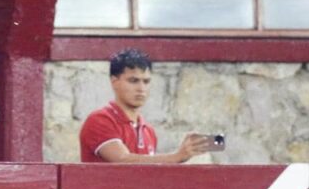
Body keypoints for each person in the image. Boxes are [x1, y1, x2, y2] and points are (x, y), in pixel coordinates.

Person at [79, 48, 210, 163]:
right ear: (114, 82)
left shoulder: (149, 131)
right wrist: (176, 157)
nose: (141, 88)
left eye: (146, 81)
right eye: (133, 81)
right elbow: (122, 159)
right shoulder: (99, 120)